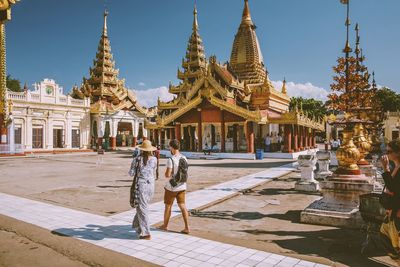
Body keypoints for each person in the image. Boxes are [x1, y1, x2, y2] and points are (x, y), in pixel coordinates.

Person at [159, 139, 190, 234]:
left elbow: (167, 175)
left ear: (172, 147)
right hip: (182, 186)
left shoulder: (171, 159)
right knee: (183, 206)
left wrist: (167, 173)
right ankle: (187, 227)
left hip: (172, 187)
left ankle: (165, 225)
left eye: (169, 147)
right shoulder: (184, 158)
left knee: (168, 206)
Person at [128, 140, 157, 240]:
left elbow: (131, 173)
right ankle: (137, 226)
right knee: (142, 206)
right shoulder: (154, 159)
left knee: (142, 208)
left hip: (141, 185)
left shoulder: (137, 159)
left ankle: (146, 233)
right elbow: (153, 171)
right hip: (151, 185)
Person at [380, 139, 400, 259]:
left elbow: (393, 189)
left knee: (394, 242)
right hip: (393, 210)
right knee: (385, 235)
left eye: (389, 151)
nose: (387, 154)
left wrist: (386, 168)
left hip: (398, 211)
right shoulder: (397, 166)